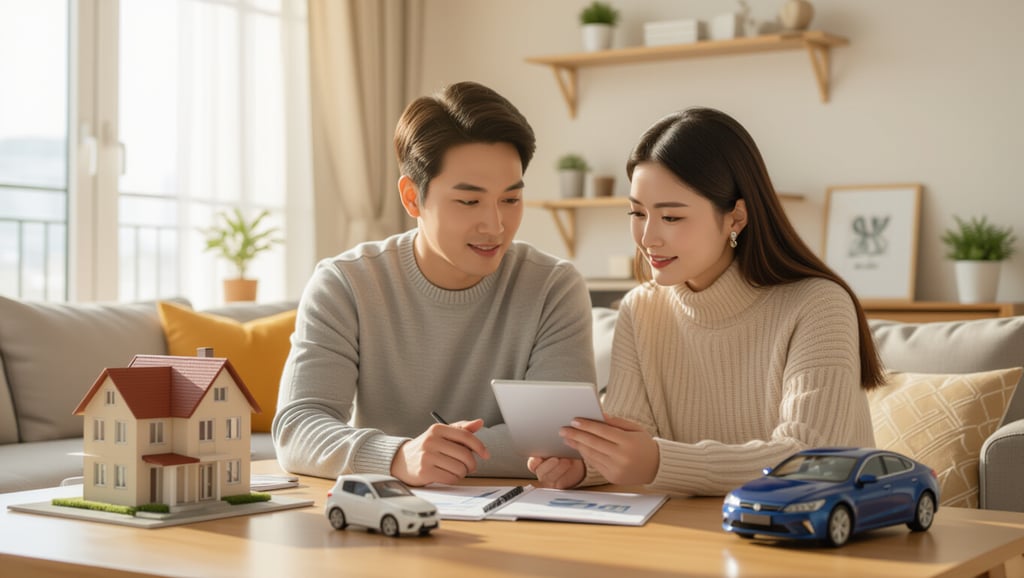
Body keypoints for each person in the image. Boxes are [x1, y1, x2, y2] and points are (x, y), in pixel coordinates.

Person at [528, 107, 883, 495]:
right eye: (637, 212)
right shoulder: (640, 310)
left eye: (672, 218)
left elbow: (809, 459)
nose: (648, 238)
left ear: (736, 218)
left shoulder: (818, 305)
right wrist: (585, 465)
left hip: (817, 533)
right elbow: (634, 440)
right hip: (695, 536)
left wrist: (660, 462)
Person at [273, 81, 596, 486]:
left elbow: (560, 441)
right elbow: (297, 427)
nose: (495, 225)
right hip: (383, 516)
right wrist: (397, 456)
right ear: (412, 198)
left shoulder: (553, 287)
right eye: (469, 201)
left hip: (519, 516)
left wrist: (438, 455)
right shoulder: (346, 284)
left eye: (510, 200)